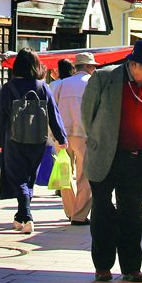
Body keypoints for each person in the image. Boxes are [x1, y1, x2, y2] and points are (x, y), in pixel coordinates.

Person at [81, 39, 142, 283]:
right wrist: (100, 140)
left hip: (136, 159)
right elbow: (88, 115)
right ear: (134, 64)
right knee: (103, 211)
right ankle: (103, 266)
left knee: (132, 214)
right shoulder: (105, 78)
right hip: (106, 156)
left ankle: (131, 267)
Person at [0, 48, 67, 234]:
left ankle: (27, 216)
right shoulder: (43, 86)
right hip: (37, 139)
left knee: (17, 177)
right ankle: (20, 216)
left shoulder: (8, 87)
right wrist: (61, 138)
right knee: (29, 177)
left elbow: (1, 117)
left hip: (14, 139)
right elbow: (54, 114)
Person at [51, 51, 97, 224]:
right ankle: (79, 215)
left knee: (65, 173)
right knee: (85, 175)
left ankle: (70, 210)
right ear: (86, 66)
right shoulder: (91, 83)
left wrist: (53, 135)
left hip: (62, 134)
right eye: (92, 65)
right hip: (84, 134)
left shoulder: (62, 84)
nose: (93, 68)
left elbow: (52, 110)